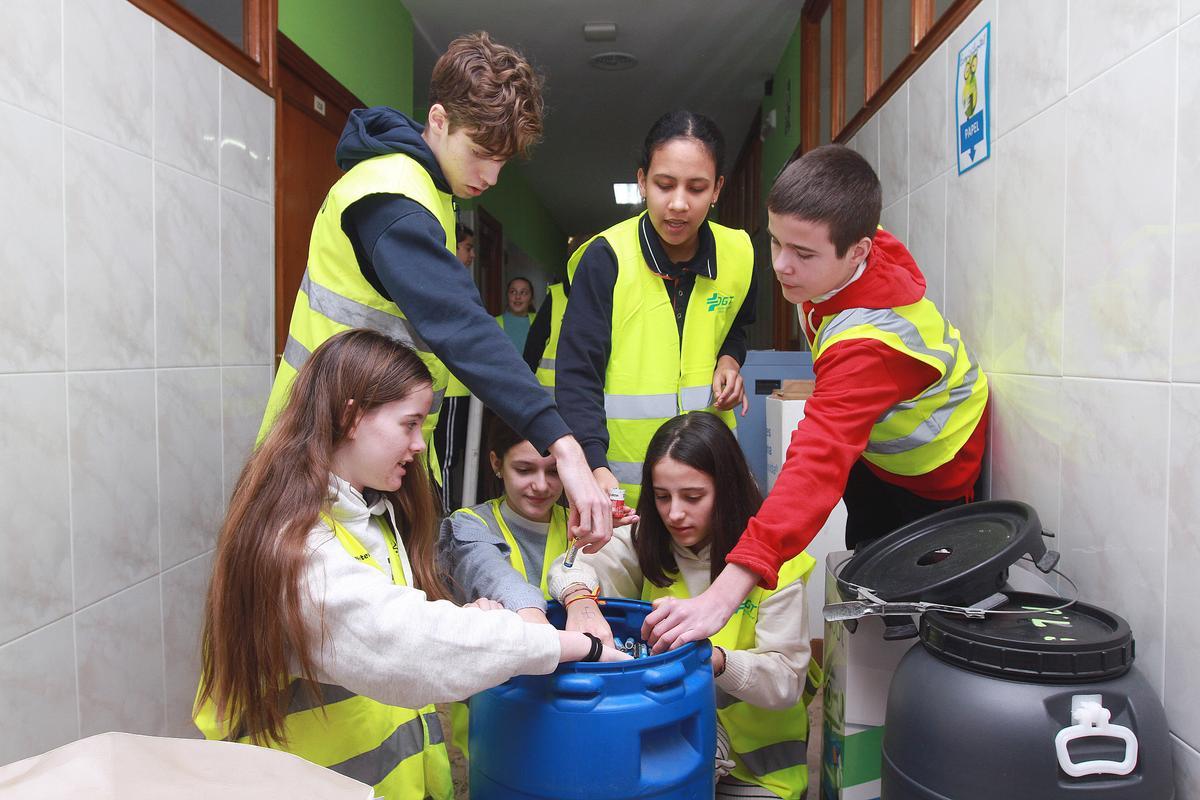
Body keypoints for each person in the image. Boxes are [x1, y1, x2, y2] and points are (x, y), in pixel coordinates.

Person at [194, 330, 627, 800]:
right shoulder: (293, 544)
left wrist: (468, 622)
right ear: (351, 416)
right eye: (409, 424)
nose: (421, 444)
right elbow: (403, 643)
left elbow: (399, 623)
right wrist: (574, 646)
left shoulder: (375, 515)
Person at [260, 31, 612, 548]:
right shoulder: (390, 197)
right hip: (320, 454)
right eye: (481, 153)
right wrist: (564, 446)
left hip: (373, 452)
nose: (491, 176)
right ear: (439, 120)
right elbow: (459, 323)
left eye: (503, 161)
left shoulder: (431, 193)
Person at [642, 144, 989, 651]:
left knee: (927, 619)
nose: (781, 266)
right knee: (867, 579)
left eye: (802, 254)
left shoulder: (870, 347)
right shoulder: (838, 259)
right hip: (877, 447)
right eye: (777, 242)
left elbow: (815, 464)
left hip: (935, 471)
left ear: (859, 252)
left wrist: (722, 597)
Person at [548, 412, 819, 800]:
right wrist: (580, 601)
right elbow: (569, 566)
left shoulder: (780, 563)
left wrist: (717, 661)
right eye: (662, 496)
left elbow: (786, 685)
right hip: (664, 752)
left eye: (693, 497)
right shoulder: (646, 541)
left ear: (727, 489)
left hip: (758, 775)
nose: (674, 513)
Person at [556, 110, 758, 507]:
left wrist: (730, 361)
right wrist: (592, 465)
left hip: (707, 483)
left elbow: (735, 327)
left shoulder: (739, 253)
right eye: (665, 185)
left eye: (697, 188)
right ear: (642, 181)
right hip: (620, 488)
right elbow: (578, 374)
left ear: (717, 189)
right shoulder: (605, 258)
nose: (679, 204)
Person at [437, 416, 624, 761]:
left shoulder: (580, 526)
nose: (541, 485)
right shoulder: (467, 525)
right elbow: (491, 572)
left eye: (553, 472)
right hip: (495, 721)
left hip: (577, 715)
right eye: (524, 470)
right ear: (496, 464)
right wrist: (535, 619)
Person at [432, 222, 479, 512]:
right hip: (448, 389)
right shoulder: (443, 283)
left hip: (458, 388)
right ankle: (446, 515)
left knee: (449, 458)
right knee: (445, 459)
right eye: (467, 248)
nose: (471, 255)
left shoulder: (458, 284)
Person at [523, 278, 567, 389]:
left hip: (551, 387)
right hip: (552, 388)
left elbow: (534, 342)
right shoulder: (557, 295)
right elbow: (535, 342)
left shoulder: (557, 295)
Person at [496, 276, 537, 354]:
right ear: (507, 295)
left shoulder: (540, 322)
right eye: (513, 292)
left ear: (531, 298)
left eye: (523, 292)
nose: (518, 297)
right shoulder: (494, 323)